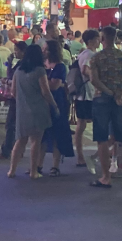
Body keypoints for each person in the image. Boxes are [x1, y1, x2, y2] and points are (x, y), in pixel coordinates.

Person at [88, 25, 122, 188]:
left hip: (102, 99)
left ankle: (106, 177)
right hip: (120, 101)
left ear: (102, 39)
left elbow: (94, 80)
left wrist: (109, 92)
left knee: (102, 139)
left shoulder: (96, 58)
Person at [8, 42, 54, 179]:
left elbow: (13, 92)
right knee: (36, 141)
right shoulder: (40, 70)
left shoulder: (19, 70)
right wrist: (54, 105)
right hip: (38, 108)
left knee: (20, 140)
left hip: (22, 109)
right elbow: (45, 91)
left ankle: (12, 170)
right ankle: (34, 171)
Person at [42, 39, 73, 174]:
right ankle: (38, 164)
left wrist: (43, 82)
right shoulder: (42, 65)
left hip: (58, 101)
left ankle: (55, 166)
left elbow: (54, 86)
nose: (43, 51)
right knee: (42, 134)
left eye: (46, 49)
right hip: (43, 102)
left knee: (57, 134)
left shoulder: (60, 66)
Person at [72, 28, 100, 168]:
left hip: (83, 94)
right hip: (88, 94)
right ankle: (86, 156)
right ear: (91, 41)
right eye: (97, 38)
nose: (99, 41)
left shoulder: (83, 53)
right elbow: (85, 69)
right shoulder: (89, 54)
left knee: (81, 125)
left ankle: (82, 156)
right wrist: (96, 80)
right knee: (87, 125)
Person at [0, 40, 28, 159]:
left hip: (18, 97)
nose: (15, 52)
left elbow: (14, 79)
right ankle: (17, 149)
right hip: (18, 97)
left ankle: (9, 150)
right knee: (15, 124)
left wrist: (7, 81)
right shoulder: (21, 64)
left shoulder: (22, 65)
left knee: (11, 124)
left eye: (17, 50)